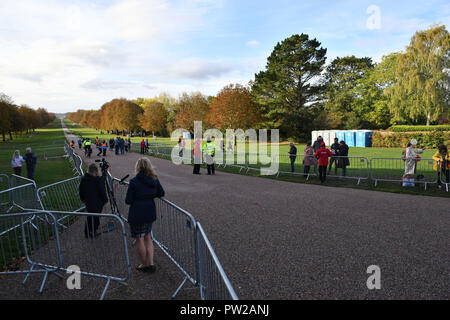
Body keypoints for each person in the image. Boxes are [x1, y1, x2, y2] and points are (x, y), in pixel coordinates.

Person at [125, 158, 165, 272]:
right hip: (149, 212)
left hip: (137, 213)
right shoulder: (154, 179)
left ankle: (144, 264)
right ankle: (151, 263)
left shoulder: (134, 182)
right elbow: (161, 193)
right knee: (148, 237)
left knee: (140, 239)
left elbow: (128, 200)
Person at [79, 164, 108, 238]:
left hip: (88, 202)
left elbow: (81, 191)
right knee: (95, 218)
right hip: (97, 203)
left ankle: (89, 231)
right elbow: (102, 191)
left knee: (90, 217)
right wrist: (105, 200)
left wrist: (83, 199)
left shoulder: (84, 179)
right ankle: (92, 231)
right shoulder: (98, 180)